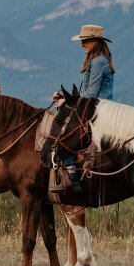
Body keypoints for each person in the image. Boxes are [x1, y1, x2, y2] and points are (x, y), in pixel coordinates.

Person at [51, 24, 116, 192]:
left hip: (97, 108)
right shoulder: (97, 60)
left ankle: (72, 176)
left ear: (96, 41)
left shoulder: (97, 62)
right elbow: (85, 91)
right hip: (94, 105)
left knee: (68, 132)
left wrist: (66, 100)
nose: (82, 44)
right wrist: (63, 95)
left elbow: (91, 93)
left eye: (85, 41)